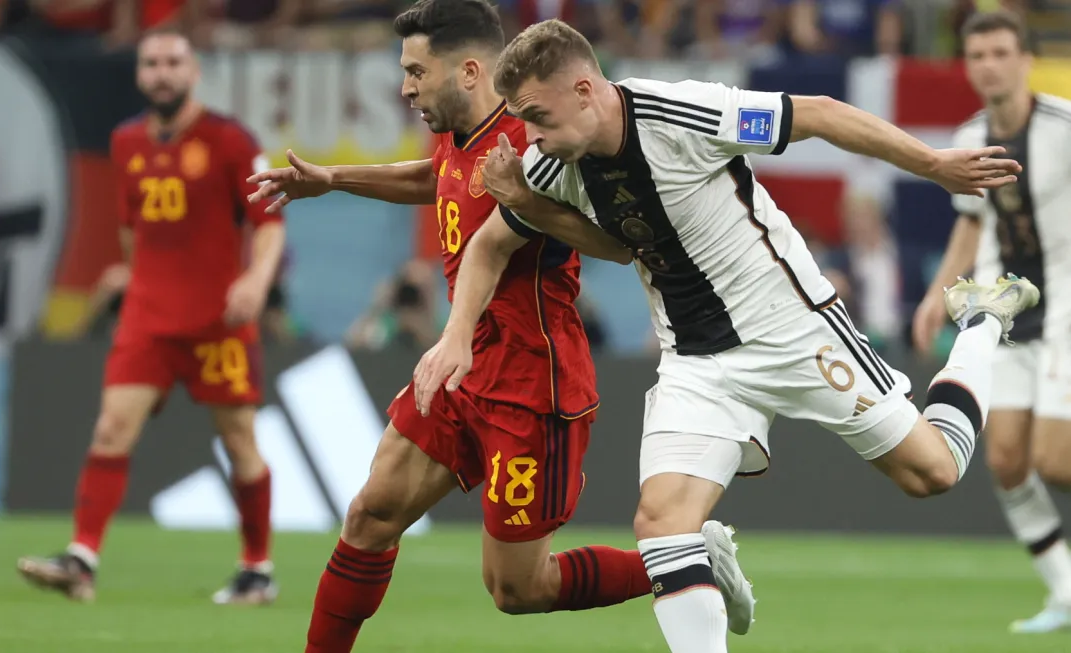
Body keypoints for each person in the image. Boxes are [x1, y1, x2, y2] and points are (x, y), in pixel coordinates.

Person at [413, 18, 1038, 653]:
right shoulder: (549, 163)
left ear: (584, 89)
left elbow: (817, 113)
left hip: (793, 330)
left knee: (932, 471)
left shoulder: (682, 112)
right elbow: (501, 245)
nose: (531, 135)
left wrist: (932, 163)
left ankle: (982, 322)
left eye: (537, 115)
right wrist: (457, 333)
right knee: (662, 524)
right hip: (695, 361)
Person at [246, 2, 755, 650]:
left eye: (413, 72)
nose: (404, 88)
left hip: (529, 384)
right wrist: (335, 178)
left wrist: (524, 203)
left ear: (465, 70)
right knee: (369, 514)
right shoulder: (456, 130)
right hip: (461, 366)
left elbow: (615, 242)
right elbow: (438, 179)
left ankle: (688, 562)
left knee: (519, 588)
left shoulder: (536, 142)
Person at [16, 31, 286, 606]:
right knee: (112, 428)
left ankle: (257, 570)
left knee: (240, 443)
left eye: (173, 63)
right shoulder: (125, 142)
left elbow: (268, 224)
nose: (162, 73)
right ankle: (81, 559)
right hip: (149, 317)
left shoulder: (230, 140)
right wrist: (140, 285)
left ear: (193, 73)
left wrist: (255, 282)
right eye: (152, 63)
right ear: (139, 75)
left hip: (218, 320)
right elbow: (129, 230)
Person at [912, 11, 1071, 634]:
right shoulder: (971, 135)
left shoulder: (1063, 126)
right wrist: (935, 296)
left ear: (1026, 58)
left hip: (1067, 309)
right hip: (1007, 311)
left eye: (1001, 52)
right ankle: (1064, 587)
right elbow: (972, 222)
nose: (989, 65)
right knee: (1005, 458)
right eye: (977, 55)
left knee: (1054, 461)